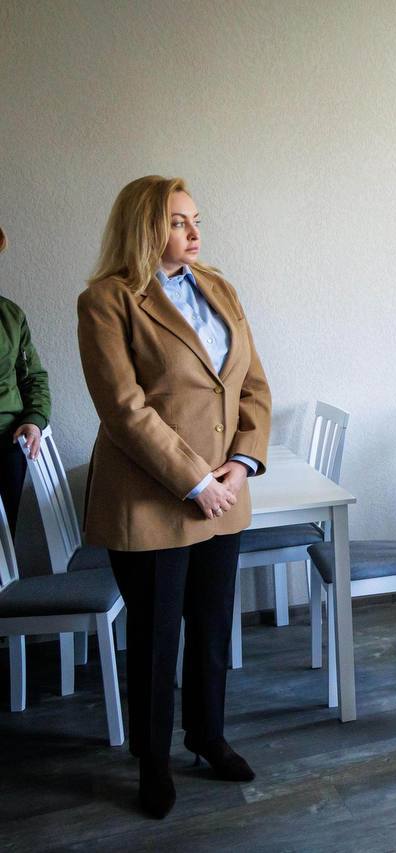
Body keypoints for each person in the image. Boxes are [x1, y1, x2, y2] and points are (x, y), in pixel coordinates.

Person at [78, 176, 271, 818]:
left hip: (226, 494)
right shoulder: (106, 301)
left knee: (212, 628)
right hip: (153, 501)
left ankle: (208, 738)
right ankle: (153, 761)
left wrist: (240, 464)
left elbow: (252, 385)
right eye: (178, 222)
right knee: (157, 639)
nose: (194, 232)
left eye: (195, 219)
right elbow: (124, 409)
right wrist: (195, 481)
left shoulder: (219, 287)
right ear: (145, 228)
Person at [0, 226, 52, 535]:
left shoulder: (10, 315)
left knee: (5, 540)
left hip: (6, 441)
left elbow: (34, 378)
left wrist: (34, 420)